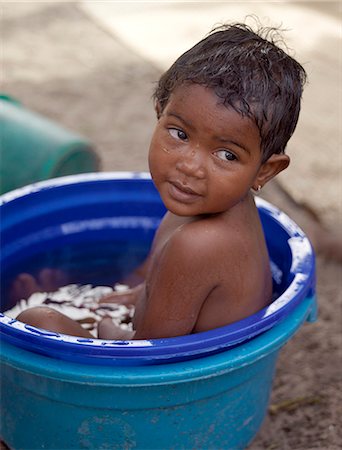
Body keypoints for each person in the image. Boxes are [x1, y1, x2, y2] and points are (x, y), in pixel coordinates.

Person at [16, 22, 307, 340]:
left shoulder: (201, 243)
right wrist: (118, 296)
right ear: (160, 112)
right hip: (163, 341)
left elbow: (148, 357)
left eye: (227, 155)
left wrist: (105, 328)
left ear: (265, 170)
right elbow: (154, 277)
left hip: (186, 386)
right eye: (180, 134)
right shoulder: (203, 202)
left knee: (37, 319)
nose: (190, 166)